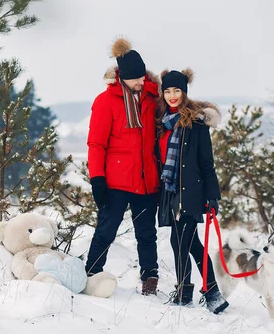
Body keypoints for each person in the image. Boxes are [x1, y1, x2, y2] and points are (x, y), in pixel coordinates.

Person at [85, 38, 161, 296]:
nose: (141, 81)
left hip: (146, 179)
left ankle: (150, 280)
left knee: (147, 234)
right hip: (115, 181)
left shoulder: (151, 98)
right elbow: (96, 144)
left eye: (143, 76)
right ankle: (92, 275)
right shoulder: (106, 102)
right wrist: (97, 179)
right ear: (123, 78)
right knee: (106, 230)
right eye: (136, 78)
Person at [156, 68, 229, 314]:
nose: (172, 95)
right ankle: (212, 292)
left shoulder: (196, 123)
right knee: (191, 244)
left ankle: (184, 291)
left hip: (191, 192)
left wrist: (212, 197)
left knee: (180, 242)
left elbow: (206, 163)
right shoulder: (163, 122)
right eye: (167, 91)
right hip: (170, 192)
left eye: (177, 90)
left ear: (184, 92)